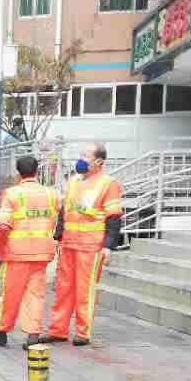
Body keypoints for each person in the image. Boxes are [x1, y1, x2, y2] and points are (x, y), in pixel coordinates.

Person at [47, 141, 123, 346]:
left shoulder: (108, 184)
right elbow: (65, 211)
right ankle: (58, 330)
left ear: (99, 161)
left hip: (91, 246)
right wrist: (58, 237)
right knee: (63, 288)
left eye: (86, 155)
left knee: (84, 290)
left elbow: (113, 218)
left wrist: (108, 246)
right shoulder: (73, 181)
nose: (80, 159)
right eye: (80, 154)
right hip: (69, 244)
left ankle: (83, 332)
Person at [0, 155, 60, 349]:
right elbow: (59, 220)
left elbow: (2, 226)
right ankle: (33, 335)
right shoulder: (52, 194)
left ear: (18, 173)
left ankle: (1, 330)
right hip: (42, 254)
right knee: (36, 295)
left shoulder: (12, 194)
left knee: (11, 294)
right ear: (36, 171)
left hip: (16, 254)